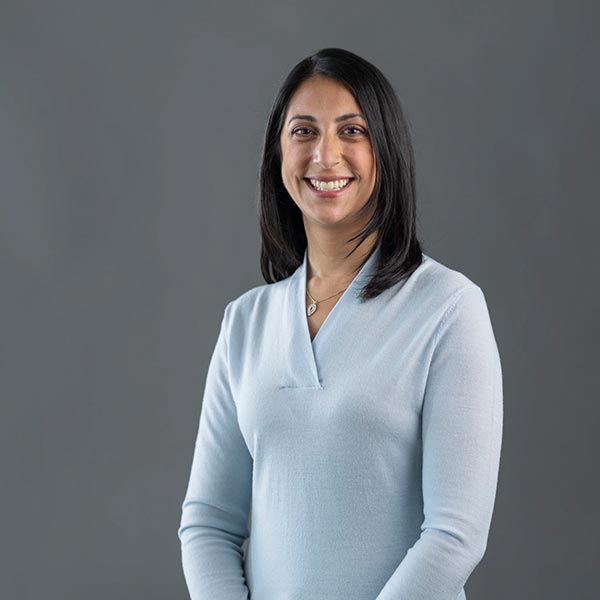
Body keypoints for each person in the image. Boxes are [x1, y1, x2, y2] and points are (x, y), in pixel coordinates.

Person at [177, 47, 503, 600]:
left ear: (386, 150)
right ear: (277, 154)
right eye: (303, 131)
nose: (325, 155)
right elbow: (208, 522)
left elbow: (455, 534)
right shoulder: (245, 323)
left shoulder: (448, 309)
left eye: (351, 131)